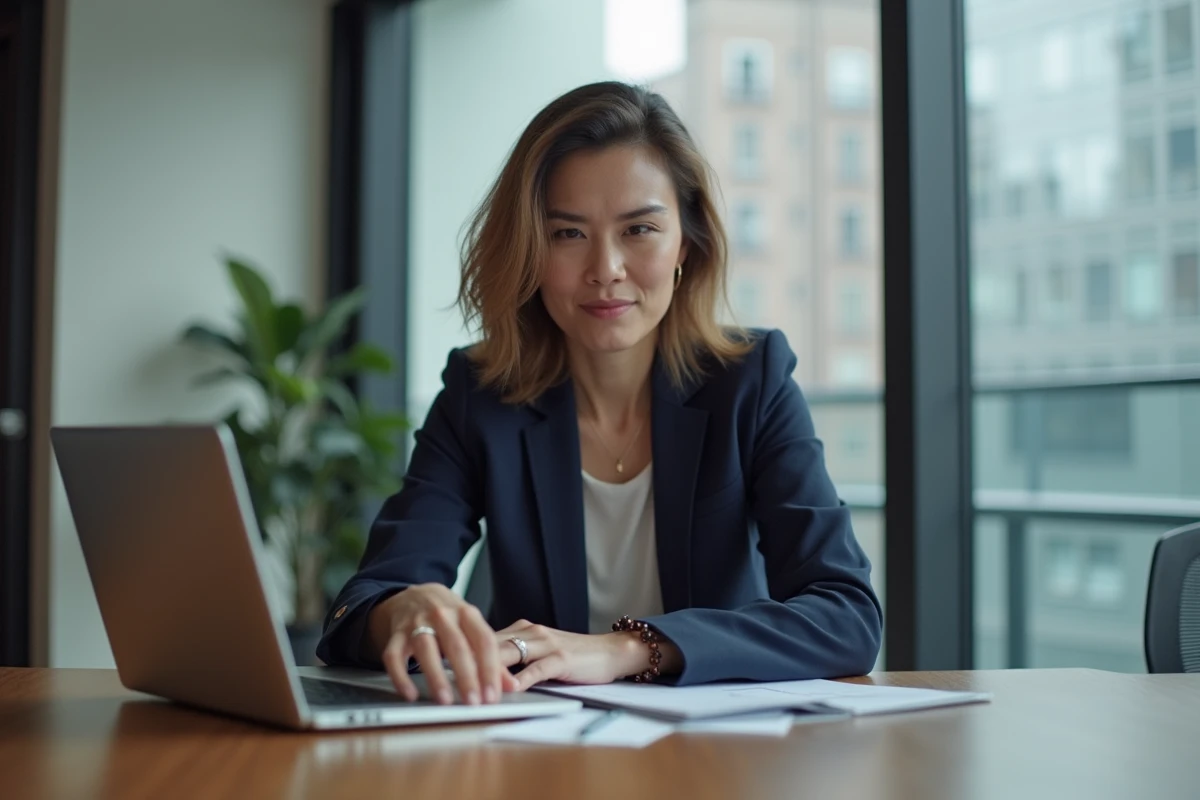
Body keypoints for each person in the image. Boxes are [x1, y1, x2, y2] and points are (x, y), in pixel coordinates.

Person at [317, 81, 882, 706]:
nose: (606, 269)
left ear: (686, 244)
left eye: (639, 228)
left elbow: (846, 615)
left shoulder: (751, 381)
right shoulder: (481, 395)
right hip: (535, 740)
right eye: (568, 234)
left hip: (718, 745)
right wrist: (402, 611)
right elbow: (357, 609)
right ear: (529, 250)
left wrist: (626, 649)